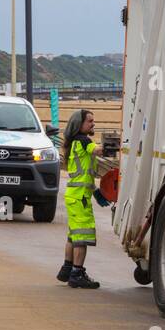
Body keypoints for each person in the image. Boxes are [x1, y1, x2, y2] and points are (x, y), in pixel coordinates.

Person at [56, 109, 101, 289]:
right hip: (80, 197)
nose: (93, 124)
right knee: (82, 236)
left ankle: (67, 269)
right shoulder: (84, 141)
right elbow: (97, 150)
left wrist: (95, 190)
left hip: (74, 195)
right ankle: (77, 273)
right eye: (89, 121)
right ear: (79, 124)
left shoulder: (72, 142)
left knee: (73, 236)